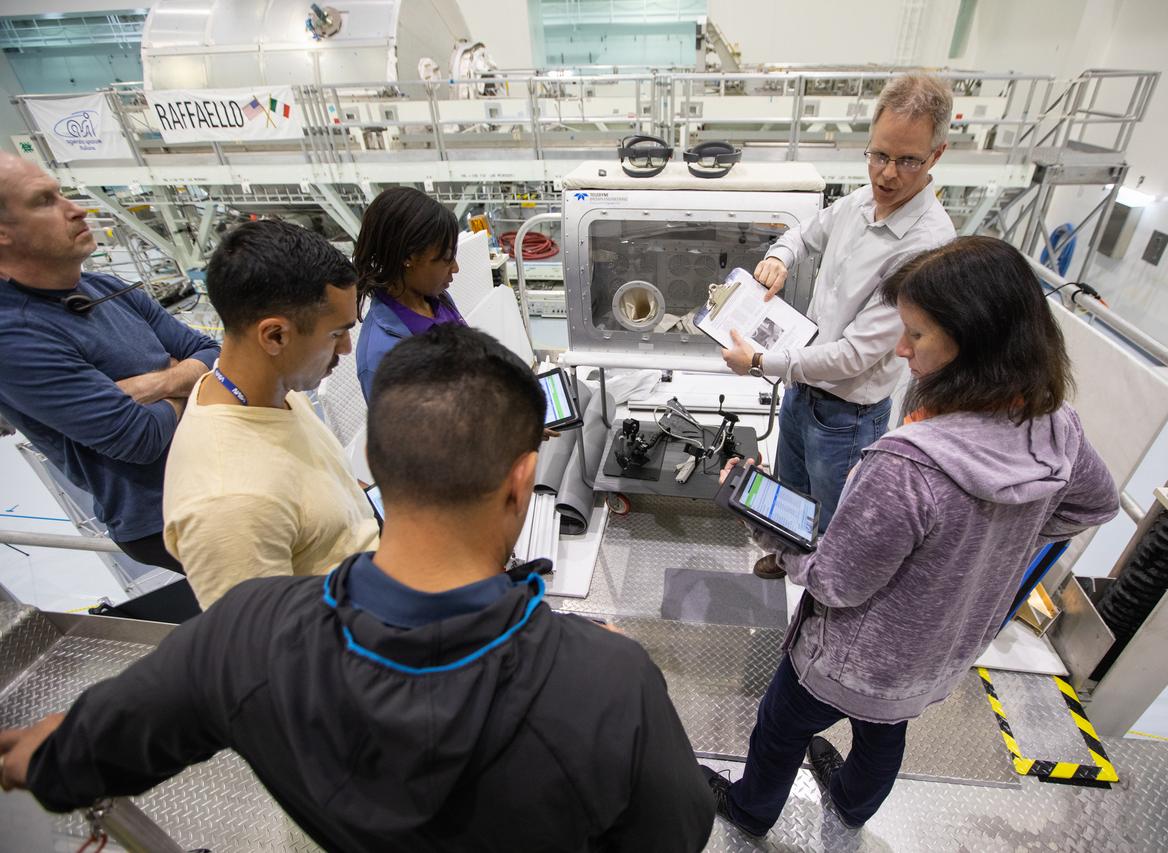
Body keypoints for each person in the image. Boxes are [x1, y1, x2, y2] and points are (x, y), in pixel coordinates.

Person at [0, 325, 717, 853]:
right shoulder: (610, 685)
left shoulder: (244, 634)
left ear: (377, 460)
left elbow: (72, 757)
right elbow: (675, 836)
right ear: (522, 481)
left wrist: (37, 756)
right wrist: (592, 657)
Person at [702, 236, 1120, 837]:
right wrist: (996, 544)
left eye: (917, 335)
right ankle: (851, 805)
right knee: (884, 731)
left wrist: (769, 532)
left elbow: (836, 584)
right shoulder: (1057, 427)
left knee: (781, 725)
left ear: (975, 343)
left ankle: (750, 811)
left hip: (851, 659)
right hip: (938, 652)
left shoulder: (907, 464)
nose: (901, 349)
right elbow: (1096, 503)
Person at [720, 73, 957, 578]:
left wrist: (759, 361)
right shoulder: (861, 201)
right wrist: (780, 256)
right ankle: (786, 556)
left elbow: (854, 355)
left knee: (831, 519)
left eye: (907, 160)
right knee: (788, 490)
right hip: (803, 386)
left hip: (847, 414)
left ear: (936, 155)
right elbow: (806, 233)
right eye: (879, 154)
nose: (887, 174)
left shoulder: (926, 246)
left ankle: (819, 591)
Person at [0, 152, 218, 576]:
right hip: (170, 514)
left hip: (215, 473)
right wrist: (187, 378)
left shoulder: (101, 285)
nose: (76, 209)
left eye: (61, 193)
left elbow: (212, 352)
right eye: (44, 201)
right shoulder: (14, 336)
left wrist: (152, 386)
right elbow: (138, 437)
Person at [162, 219, 379, 608]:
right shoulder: (229, 501)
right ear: (275, 336)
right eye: (336, 334)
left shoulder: (273, 391)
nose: (347, 349)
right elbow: (268, 642)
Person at [352, 186, 463, 400]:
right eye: (446, 258)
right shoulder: (382, 357)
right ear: (408, 257)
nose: (455, 268)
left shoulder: (437, 299)